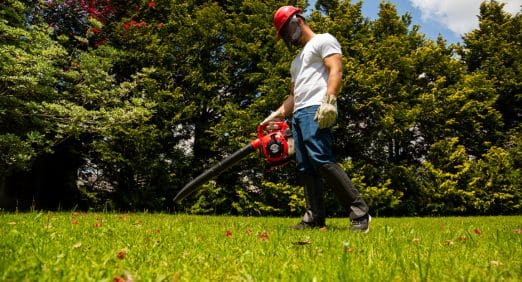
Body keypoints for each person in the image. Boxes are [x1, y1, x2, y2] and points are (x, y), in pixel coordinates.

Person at [261, 6, 371, 232]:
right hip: (299, 114)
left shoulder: (324, 40)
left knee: (321, 158)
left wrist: (330, 100)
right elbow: (293, 96)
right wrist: (277, 113)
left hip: (316, 109)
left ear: (297, 20)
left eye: (285, 30)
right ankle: (314, 218)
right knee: (304, 167)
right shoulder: (296, 62)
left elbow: (335, 69)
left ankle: (360, 212)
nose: (285, 37)